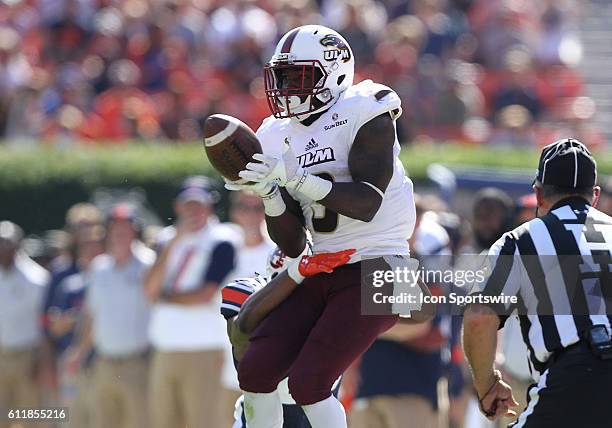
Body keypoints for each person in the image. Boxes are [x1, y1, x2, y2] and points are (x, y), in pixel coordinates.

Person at [224, 24, 416, 428]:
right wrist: (270, 195)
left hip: (380, 263)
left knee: (309, 382)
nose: (287, 88)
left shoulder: (366, 108)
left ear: (334, 71)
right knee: (256, 371)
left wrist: (292, 178)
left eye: (299, 76)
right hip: (324, 263)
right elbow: (293, 243)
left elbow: (366, 203)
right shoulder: (274, 134)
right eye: (282, 76)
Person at [462, 138, 612, 427]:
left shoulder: (520, 240)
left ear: (539, 194)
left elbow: (480, 316)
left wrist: (487, 385)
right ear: (594, 195)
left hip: (575, 375)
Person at [144, 176, 241, 428]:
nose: (193, 212)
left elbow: (203, 295)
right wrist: (175, 241)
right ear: (178, 206)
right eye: (188, 205)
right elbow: (148, 289)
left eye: (200, 205)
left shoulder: (223, 239)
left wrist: (163, 297)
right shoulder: (167, 239)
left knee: (204, 421)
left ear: (210, 207)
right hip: (165, 347)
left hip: (203, 347)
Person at [222, 246, 353, 428]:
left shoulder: (337, 295)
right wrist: (297, 272)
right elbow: (240, 338)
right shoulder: (252, 290)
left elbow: (401, 311)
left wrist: (398, 259)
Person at [68, 204, 155, 428]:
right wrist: (79, 352)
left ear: (134, 231)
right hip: (104, 363)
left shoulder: (148, 264)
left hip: (138, 363)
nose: (120, 233)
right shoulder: (99, 268)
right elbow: (92, 316)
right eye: (115, 227)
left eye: (126, 227)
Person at [220, 191, 276, 427]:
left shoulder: (277, 251)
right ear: (234, 212)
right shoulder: (222, 249)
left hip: (268, 359)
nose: (252, 215)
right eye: (245, 207)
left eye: (258, 208)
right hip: (229, 357)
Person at [0, 221, 49, 428]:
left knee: (31, 416)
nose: (3, 250)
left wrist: (41, 360)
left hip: (27, 357)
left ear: (17, 246)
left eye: (7, 245)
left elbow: (43, 325)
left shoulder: (36, 278)